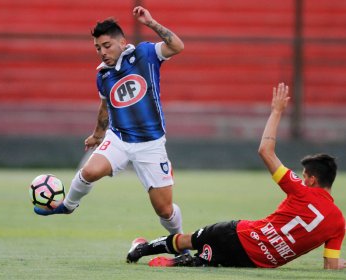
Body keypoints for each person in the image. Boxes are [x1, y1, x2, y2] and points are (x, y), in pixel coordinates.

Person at [126, 83, 346, 269]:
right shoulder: (338, 223)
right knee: (205, 260)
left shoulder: (301, 190)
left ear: (311, 179)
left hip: (239, 234)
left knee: (189, 239)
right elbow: (330, 266)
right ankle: (185, 261)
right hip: (254, 262)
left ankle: (142, 249)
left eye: (304, 175)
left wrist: (277, 111)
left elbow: (265, 151)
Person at [34, 6, 186, 236]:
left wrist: (151, 23)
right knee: (89, 172)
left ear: (122, 42)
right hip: (119, 138)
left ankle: (179, 241)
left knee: (164, 210)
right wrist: (97, 134)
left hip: (150, 143)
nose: (102, 52)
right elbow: (105, 107)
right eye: (97, 48)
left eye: (106, 45)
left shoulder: (145, 54)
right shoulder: (103, 75)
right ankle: (68, 206)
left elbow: (177, 46)